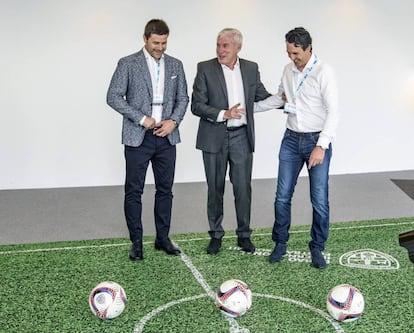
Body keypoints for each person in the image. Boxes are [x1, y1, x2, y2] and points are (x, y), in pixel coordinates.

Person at [255, 27, 339, 268]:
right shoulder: (287, 70)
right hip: (291, 141)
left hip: (316, 141)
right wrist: (252, 109)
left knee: (319, 200)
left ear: (309, 48)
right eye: (288, 53)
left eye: (296, 53)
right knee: (282, 197)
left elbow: (334, 113)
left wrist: (321, 146)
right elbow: (281, 99)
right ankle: (280, 242)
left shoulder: (324, 72)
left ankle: (317, 247)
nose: (292, 58)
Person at [107, 19, 189, 261]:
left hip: (167, 137)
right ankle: (137, 242)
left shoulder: (176, 65)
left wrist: (173, 121)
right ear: (145, 39)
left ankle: (162, 238)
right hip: (137, 137)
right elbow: (113, 96)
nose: (160, 47)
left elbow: (184, 97)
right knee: (134, 191)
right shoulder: (127, 63)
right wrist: (142, 119)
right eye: (156, 43)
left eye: (164, 43)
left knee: (166, 190)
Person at [191, 28, 271, 255]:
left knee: (243, 188)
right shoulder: (205, 68)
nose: (220, 50)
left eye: (225, 46)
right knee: (215, 188)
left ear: (238, 47)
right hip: (214, 136)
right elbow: (196, 105)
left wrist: (284, 102)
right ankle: (216, 235)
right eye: (218, 45)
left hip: (241, 137)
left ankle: (244, 235)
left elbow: (261, 96)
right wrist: (223, 113)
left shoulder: (251, 68)